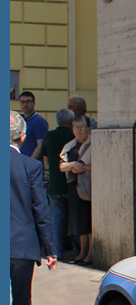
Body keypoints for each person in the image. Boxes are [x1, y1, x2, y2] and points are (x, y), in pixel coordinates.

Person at [10, 111, 58, 305]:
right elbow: (41, 208)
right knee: (21, 299)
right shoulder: (32, 166)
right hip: (21, 244)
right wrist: (49, 249)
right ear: (23, 137)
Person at [41, 108, 75, 259]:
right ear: (71, 121)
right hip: (72, 183)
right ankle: (76, 250)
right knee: (75, 219)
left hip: (54, 183)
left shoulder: (49, 135)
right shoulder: (73, 135)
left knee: (57, 219)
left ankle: (57, 251)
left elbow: (46, 159)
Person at [60, 116, 92, 265]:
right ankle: (82, 252)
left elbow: (97, 165)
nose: (78, 130)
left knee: (88, 220)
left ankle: (90, 253)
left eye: (81, 127)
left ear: (88, 128)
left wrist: (82, 168)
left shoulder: (93, 144)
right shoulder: (70, 145)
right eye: (76, 127)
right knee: (79, 221)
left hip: (88, 187)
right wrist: (74, 164)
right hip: (74, 186)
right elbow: (62, 166)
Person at [17, 91, 48, 159]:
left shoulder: (39, 121)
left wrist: (30, 163)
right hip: (20, 163)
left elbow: (40, 145)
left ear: (34, 103)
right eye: (22, 102)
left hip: (32, 166)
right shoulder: (20, 121)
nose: (25, 104)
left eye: (28, 102)